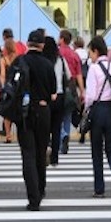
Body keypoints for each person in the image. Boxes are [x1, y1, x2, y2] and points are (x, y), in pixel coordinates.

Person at [13, 30, 57, 211]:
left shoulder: (19, 62)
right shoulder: (48, 65)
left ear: (27, 43)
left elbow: (11, 88)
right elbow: (54, 94)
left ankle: (33, 198)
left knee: (28, 154)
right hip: (43, 110)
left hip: (24, 113)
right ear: (42, 46)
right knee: (40, 152)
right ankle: (41, 189)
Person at [85, 36, 111, 198]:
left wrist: (86, 110)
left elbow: (90, 95)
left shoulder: (93, 69)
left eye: (90, 53)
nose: (90, 56)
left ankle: (99, 189)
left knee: (96, 150)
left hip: (98, 110)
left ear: (95, 51)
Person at [42, 36, 70, 167]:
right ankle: (55, 158)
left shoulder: (42, 61)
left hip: (46, 97)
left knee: (44, 127)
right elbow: (69, 76)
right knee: (57, 128)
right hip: (59, 96)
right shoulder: (61, 60)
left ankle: (45, 150)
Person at [58, 29, 85, 154]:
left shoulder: (57, 53)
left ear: (62, 39)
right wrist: (82, 91)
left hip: (59, 86)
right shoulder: (74, 55)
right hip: (72, 86)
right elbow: (79, 74)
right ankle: (66, 136)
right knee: (68, 114)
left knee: (57, 115)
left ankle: (62, 136)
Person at [0, 38, 18, 143]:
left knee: (7, 112)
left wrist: (2, 88)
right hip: (17, 87)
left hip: (8, 87)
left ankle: (8, 135)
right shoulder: (18, 58)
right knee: (17, 110)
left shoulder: (4, 60)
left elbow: (2, 75)